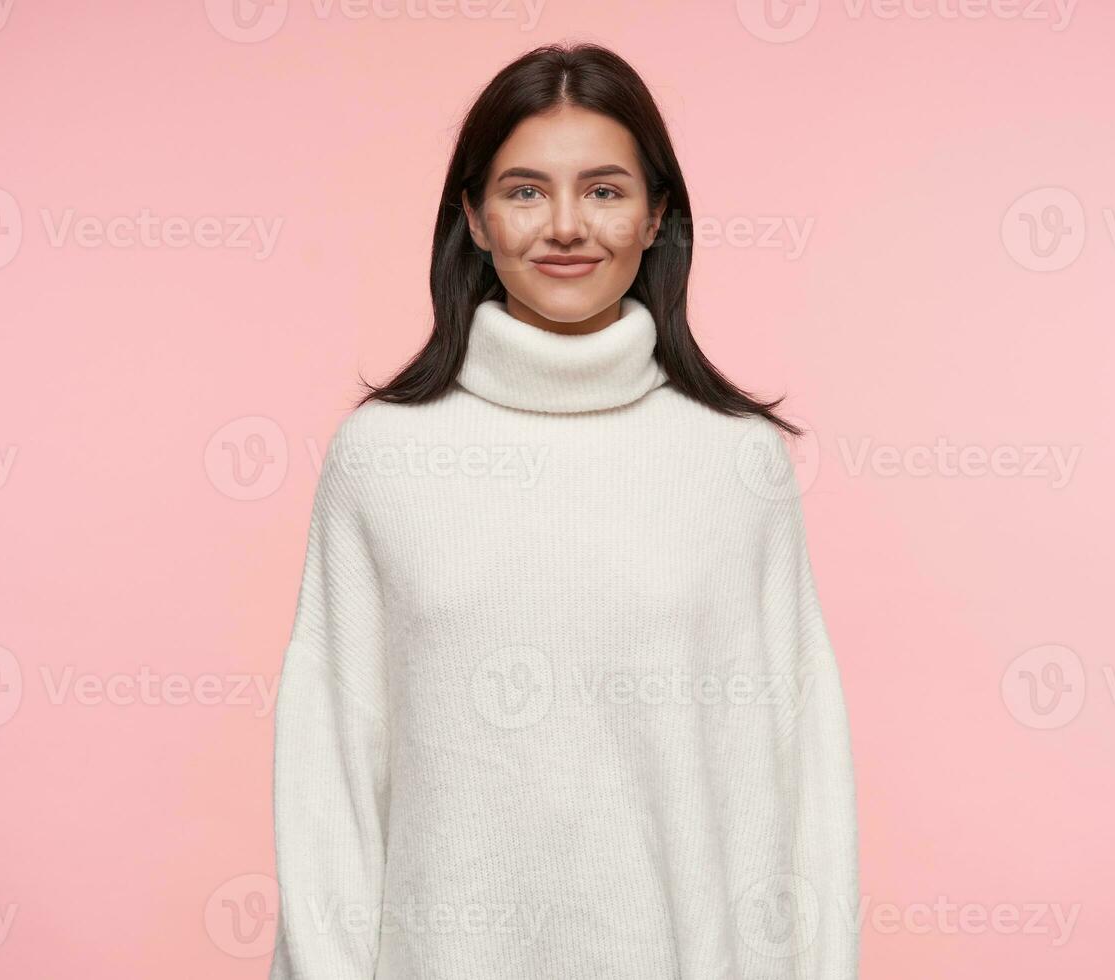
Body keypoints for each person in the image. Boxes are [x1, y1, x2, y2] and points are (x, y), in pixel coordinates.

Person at [269, 40, 858, 980]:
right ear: (472, 215)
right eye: (526, 190)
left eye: (606, 190)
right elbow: (328, 782)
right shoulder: (383, 459)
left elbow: (796, 779)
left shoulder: (734, 462)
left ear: (658, 214)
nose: (567, 227)